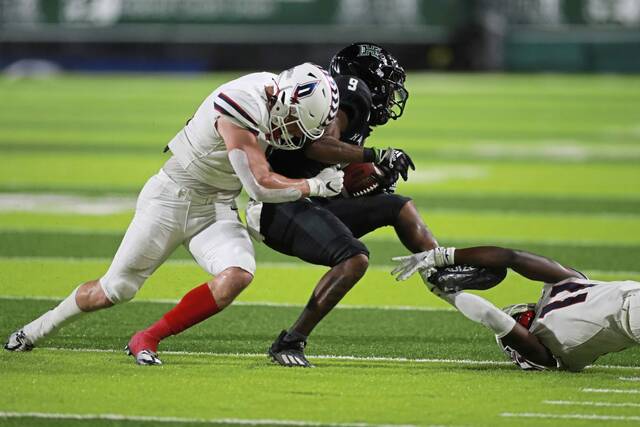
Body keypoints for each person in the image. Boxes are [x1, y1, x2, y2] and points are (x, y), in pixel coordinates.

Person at [4, 63, 345, 366]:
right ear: (287, 99)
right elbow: (259, 185)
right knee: (114, 289)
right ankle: (36, 329)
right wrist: (315, 186)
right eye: (295, 124)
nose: (295, 134)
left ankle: (146, 338)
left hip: (216, 206)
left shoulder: (282, 97)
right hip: (170, 198)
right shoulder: (243, 101)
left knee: (238, 274)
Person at [256, 43, 440, 367]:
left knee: (398, 206)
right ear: (365, 80)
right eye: (386, 85)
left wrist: (375, 179)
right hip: (277, 203)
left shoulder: (358, 113)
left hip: (309, 200)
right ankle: (290, 342)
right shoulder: (347, 95)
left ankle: (441, 268)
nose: (390, 94)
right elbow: (318, 147)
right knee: (354, 259)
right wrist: (373, 156)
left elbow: (337, 182)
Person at [391, 245, 640, 372]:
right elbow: (493, 313)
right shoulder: (550, 355)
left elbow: (512, 259)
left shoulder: (567, 285)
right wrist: (443, 282)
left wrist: (440, 258)